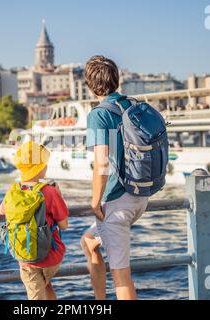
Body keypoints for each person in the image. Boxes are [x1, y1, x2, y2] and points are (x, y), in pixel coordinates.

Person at [80, 56, 149, 300]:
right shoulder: (130, 104)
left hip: (117, 202)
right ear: (116, 79)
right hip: (139, 194)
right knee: (89, 242)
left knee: (121, 275)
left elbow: (101, 163)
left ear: (89, 84)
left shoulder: (99, 114)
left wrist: (94, 202)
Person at [0, 141, 69, 300]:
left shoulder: (13, 190)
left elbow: (1, 210)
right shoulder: (50, 192)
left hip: (24, 255)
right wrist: (59, 195)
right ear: (39, 167)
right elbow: (64, 225)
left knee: (36, 294)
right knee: (45, 285)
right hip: (51, 257)